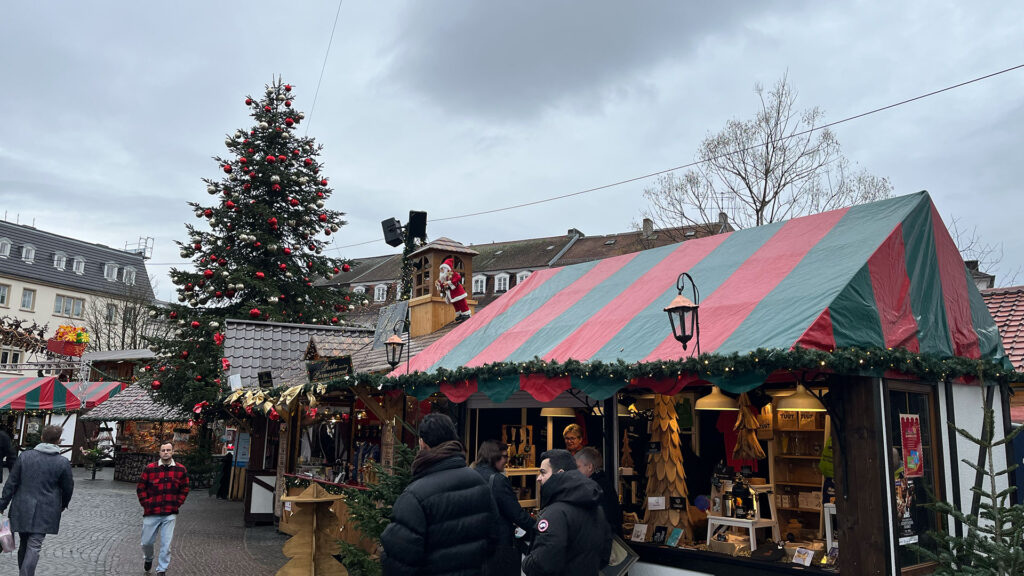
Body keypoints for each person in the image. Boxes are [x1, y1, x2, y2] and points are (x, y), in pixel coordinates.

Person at [381, 413, 497, 575]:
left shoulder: (415, 495)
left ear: (422, 444)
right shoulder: (479, 483)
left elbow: (398, 561)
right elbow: (493, 539)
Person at [522, 449, 611, 576]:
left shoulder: (555, 512)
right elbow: (605, 553)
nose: (538, 478)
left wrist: (526, 563)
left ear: (559, 473)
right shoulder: (597, 509)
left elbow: (544, 560)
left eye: (543, 472)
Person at [0, 424, 75, 576]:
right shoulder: (62, 462)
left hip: (22, 507)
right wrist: (63, 504)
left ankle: (24, 573)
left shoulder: (25, 457)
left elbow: (11, 483)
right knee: (34, 546)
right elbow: (68, 487)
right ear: (58, 441)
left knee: (24, 544)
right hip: (47, 509)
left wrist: (3, 503)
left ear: (42, 438)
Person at [474, 440, 536, 576]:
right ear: (493, 457)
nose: (507, 461)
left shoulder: (471, 474)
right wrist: (539, 530)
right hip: (499, 545)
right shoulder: (498, 480)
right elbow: (517, 514)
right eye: (504, 456)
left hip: (475, 544)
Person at [137, 441, 189, 575]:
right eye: (163, 450)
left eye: (168, 450)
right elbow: (141, 488)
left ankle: (162, 569)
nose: (166, 452)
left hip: (170, 512)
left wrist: (177, 503)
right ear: (159, 452)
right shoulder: (150, 468)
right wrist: (146, 503)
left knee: (166, 545)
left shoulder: (180, 470)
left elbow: (185, 488)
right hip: (151, 511)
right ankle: (148, 558)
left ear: (172, 452)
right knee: (146, 542)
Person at [575, 447, 622, 537]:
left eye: (578, 467)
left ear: (589, 467)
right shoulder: (602, 483)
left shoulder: (594, 487)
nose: (575, 471)